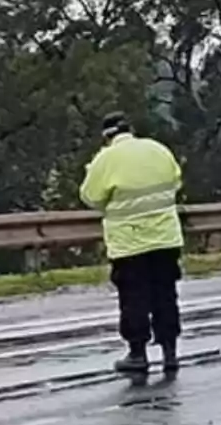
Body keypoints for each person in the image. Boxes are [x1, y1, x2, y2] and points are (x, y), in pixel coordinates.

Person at [79, 112, 185, 373]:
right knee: (165, 294)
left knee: (133, 298)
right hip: (165, 238)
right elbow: (176, 181)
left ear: (106, 136)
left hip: (129, 243)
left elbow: (90, 197)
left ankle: (138, 354)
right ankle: (169, 352)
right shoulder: (158, 149)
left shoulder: (105, 159)